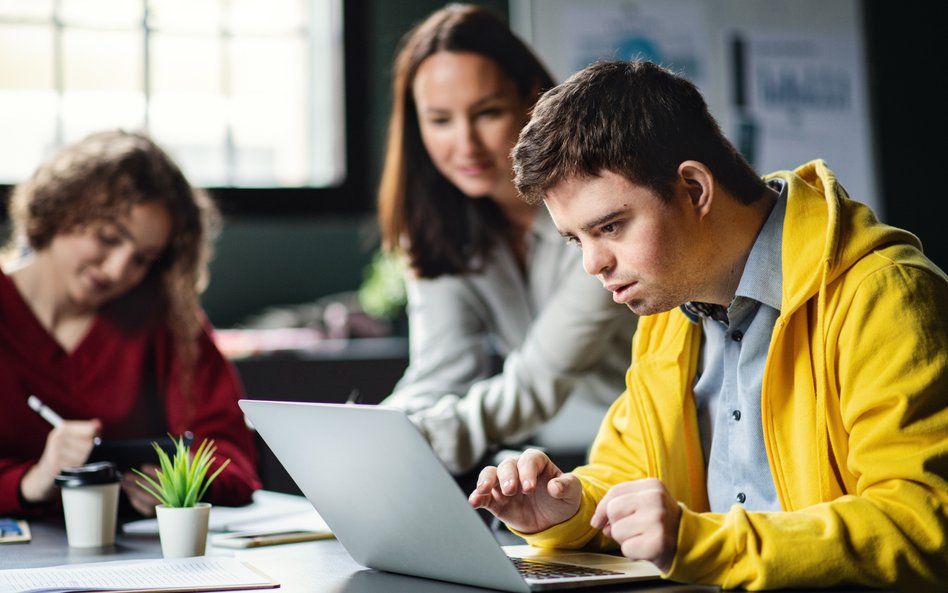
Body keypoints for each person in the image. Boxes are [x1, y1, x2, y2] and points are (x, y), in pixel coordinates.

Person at [470, 60, 948, 589]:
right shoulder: (671, 313)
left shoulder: (884, 293)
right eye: (576, 239)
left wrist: (701, 543)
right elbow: (627, 474)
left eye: (611, 226)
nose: (592, 264)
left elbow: (923, 525)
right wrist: (567, 510)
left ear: (695, 189)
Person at [377, 4, 637, 476]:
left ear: (534, 99)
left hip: (659, 444)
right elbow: (438, 373)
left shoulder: (599, 209)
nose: (466, 145)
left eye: (488, 113)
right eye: (439, 121)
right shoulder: (437, 228)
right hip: (575, 458)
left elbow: (539, 379)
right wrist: (376, 433)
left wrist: (411, 443)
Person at [0, 130, 261, 517]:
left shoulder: (165, 319)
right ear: (59, 209)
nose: (119, 269)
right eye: (107, 238)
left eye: (143, 259)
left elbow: (232, 456)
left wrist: (177, 480)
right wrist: (31, 480)